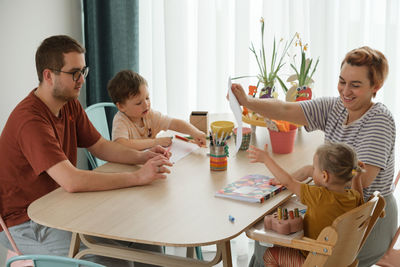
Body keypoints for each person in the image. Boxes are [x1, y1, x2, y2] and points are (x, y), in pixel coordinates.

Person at [0, 35, 173, 267]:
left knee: (146, 241)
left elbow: (100, 146)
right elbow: (71, 180)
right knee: (112, 262)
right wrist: (137, 177)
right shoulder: (30, 120)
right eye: (74, 73)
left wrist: (144, 156)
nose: (81, 79)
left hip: (60, 203)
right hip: (25, 220)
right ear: (48, 76)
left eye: (83, 71)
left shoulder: (68, 103)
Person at [231, 46, 397, 267]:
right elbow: (285, 110)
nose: (345, 91)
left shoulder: (379, 120)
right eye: (342, 81)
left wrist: (310, 172)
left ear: (376, 86)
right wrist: (248, 102)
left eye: (355, 85)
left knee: (268, 246)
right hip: (336, 212)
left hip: (365, 224)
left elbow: (359, 181)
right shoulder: (335, 107)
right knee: (268, 235)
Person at [248, 142, 364, 266]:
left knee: (270, 255)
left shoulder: (318, 195)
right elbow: (359, 195)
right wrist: (357, 178)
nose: (312, 170)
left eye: (314, 168)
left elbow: (288, 182)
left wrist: (266, 160)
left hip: (314, 261)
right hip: (338, 260)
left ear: (324, 176)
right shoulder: (353, 197)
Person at [107, 70, 207, 150]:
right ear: (121, 107)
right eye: (138, 103)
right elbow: (121, 144)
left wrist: (194, 132)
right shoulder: (121, 121)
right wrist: (155, 142)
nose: (146, 104)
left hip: (146, 162)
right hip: (127, 168)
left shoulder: (148, 114)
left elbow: (174, 123)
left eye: (147, 98)